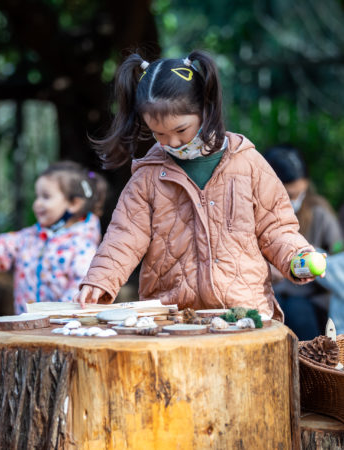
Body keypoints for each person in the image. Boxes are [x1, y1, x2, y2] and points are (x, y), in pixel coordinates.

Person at [76, 50, 318, 321]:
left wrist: (298, 257)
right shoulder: (147, 176)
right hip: (172, 317)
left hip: (243, 314)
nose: (172, 142)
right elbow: (124, 235)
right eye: (159, 134)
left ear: (206, 108)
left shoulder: (247, 163)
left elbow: (276, 227)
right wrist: (100, 279)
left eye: (181, 130)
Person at [0, 161, 108, 314]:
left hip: (59, 330)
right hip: (25, 327)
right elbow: (0, 249)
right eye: (37, 196)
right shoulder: (29, 237)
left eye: (45, 197)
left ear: (74, 204)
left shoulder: (82, 247)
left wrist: (56, 317)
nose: (37, 204)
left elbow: (78, 290)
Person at [264, 145, 343, 339]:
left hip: (309, 301)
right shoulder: (259, 215)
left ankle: (309, 368)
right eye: (289, 195)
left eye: (300, 193)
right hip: (269, 296)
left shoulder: (319, 214)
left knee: (297, 310)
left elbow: (337, 257)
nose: (295, 200)